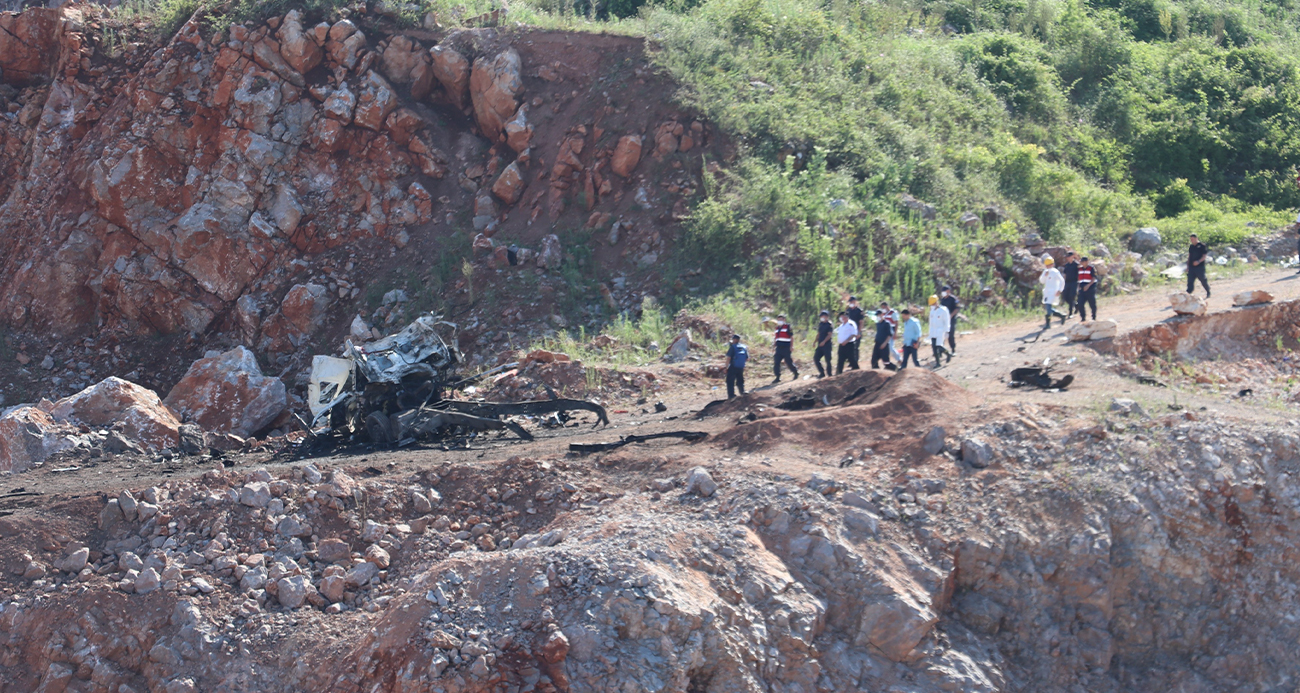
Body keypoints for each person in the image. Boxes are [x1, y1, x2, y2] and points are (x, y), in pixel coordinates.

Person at [1039, 256, 1067, 328]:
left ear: (1052, 264)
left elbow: (1062, 281)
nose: (1048, 267)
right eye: (1047, 265)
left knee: (1048, 307)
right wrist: (1045, 276)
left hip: (1053, 292)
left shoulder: (1055, 272)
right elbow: (1042, 281)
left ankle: (1048, 324)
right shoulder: (1045, 272)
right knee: (1048, 308)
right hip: (1047, 292)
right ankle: (1061, 315)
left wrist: (1060, 290)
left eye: (1049, 265)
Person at [771, 314, 798, 383]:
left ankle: (795, 372)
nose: (780, 321)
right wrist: (774, 346)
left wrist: (791, 346)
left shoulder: (787, 327)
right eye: (779, 319)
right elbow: (776, 338)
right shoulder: (777, 328)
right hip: (778, 348)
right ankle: (777, 377)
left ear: (784, 320)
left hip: (786, 347)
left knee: (788, 361)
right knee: (776, 362)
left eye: (781, 319)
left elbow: (791, 337)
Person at [928, 295, 952, 366]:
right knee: (934, 348)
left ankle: (948, 353)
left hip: (940, 331)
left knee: (939, 346)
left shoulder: (943, 310)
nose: (932, 305)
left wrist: (947, 331)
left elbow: (947, 321)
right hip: (933, 331)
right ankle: (938, 363)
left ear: (936, 302)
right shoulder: (932, 311)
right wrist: (930, 332)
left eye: (933, 304)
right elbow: (930, 322)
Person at [870, 306, 896, 370]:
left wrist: (884, 343)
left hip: (884, 344)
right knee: (873, 361)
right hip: (877, 344)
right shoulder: (878, 324)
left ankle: (896, 369)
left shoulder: (886, 323)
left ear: (882, 315)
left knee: (886, 362)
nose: (878, 316)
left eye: (879, 315)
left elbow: (889, 335)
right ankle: (876, 373)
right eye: (877, 315)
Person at [724, 334, 748, 399]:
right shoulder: (744, 347)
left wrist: (726, 368)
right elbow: (747, 358)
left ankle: (731, 396)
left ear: (734, 340)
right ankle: (742, 392)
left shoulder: (733, 347)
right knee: (740, 380)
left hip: (733, 367)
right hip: (740, 367)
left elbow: (728, 358)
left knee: (730, 381)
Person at [1075, 256, 1098, 322]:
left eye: (1083, 262)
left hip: (1090, 288)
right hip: (1082, 289)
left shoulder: (1091, 268)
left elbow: (1094, 278)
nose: (1082, 263)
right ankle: (1083, 317)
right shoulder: (1080, 269)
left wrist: (1088, 285)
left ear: (1086, 262)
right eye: (1081, 262)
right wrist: (1079, 287)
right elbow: (1079, 278)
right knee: (1080, 303)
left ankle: (1093, 317)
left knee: (1092, 303)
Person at [939, 286, 960, 354]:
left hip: (951, 319)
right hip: (943, 320)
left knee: (950, 335)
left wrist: (950, 316)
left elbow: (956, 309)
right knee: (942, 334)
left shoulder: (953, 299)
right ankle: (941, 350)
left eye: (945, 291)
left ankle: (953, 349)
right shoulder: (942, 300)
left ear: (948, 291)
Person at [813, 310, 834, 377]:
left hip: (827, 345)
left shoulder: (829, 325)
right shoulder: (820, 324)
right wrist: (815, 341)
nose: (822, 317)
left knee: (828, 360)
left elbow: (829, 335)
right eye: (821, 316)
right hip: (820, 345)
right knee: (816, 358)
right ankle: (822, 373)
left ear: (827, 316)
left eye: (823, 316)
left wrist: (824, 341)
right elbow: (819, 334)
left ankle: (829, 374)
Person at [846, 296, 865, 365]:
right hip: (849, 332)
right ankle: (851, 361)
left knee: (855, 347)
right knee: (849, 347)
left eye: (853, 302)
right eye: (850, 302)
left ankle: (855, 361)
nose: (852, 303)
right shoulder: (848, 311)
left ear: (855, 302)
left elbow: (861, 322)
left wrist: (859, 332)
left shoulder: (859, 311)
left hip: (856, 331)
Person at [1060, 253, 1079, 319]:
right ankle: (1076, 305)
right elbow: (1065, 274)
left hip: (1074, 282)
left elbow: (1079, 274)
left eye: (1069, 257)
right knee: (1065, 297)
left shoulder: (1076, 265)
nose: (1067, 258)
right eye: (1067, 257)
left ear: (1072, 257)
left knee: (1071, 297)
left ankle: (1070, 313)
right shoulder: (1067, 265)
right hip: (1067, 282)